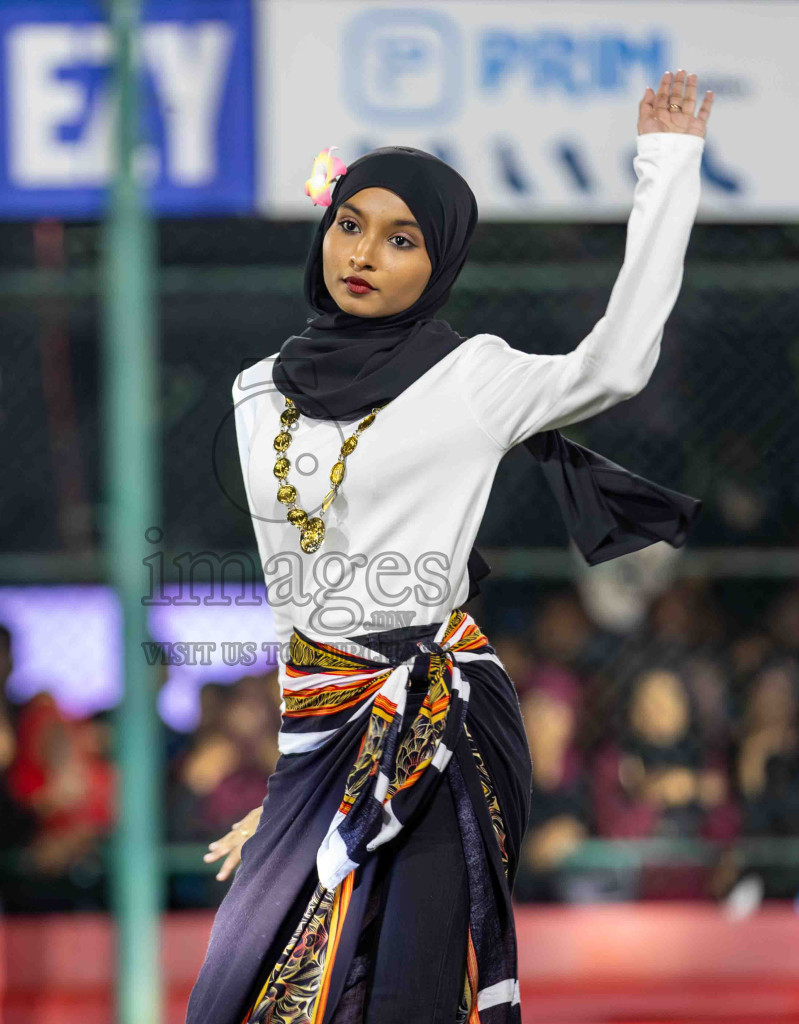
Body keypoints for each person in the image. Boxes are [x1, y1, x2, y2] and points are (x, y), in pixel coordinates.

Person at [188, 70, 711, 1023]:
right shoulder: (253, 388)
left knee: (407, 992)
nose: (366, 254)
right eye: (351, 225)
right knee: (240, 998)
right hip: (321, 726)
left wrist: (666, 167)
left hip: (443, 719)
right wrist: (300, 782)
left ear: (443, 262)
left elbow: (620, 361)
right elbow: (297, 600)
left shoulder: (474, 377)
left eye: (403, 239)